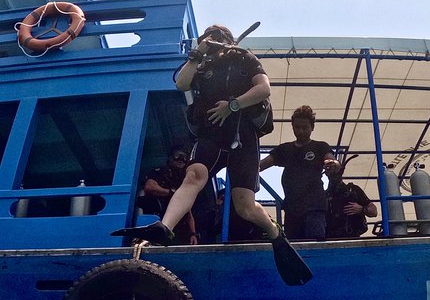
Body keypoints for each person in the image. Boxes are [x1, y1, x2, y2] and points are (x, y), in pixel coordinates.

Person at [119, 24, 284, 248]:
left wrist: (233, 105)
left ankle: (273, 231)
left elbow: (264, 88)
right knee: (194, 175)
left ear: (226, 40)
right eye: (205, 39)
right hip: (211, 132)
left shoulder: (244, 58)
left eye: (214, 38)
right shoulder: (200, 65)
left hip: (241, 132)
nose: (209, 42)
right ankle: (164, 227)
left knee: (244, 206)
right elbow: (181, 83)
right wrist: (197, 54)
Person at [259, 105, 333, 240]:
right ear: (292, 126)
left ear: (312, 127)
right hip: (292, 208)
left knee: (315, 243)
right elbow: (261, 165)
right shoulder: (284, 149)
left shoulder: (320, 147)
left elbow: (331, 160)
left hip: (314, 207)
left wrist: (333, 164)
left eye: (305, 127)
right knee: (294, 245)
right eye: (297, 127)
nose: (301, 131)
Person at [138, 146, 196, 243]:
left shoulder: (183, 180)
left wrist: (193, 233)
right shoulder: (160, 172)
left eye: (184, 157)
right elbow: (149, 187)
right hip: (158, 220)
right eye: (178, 156)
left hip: (178, 228)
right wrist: (171, 193)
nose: (181, 159)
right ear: (170, 158)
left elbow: (188, 209)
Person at [324, 158, 378, 238]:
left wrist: (362, 209)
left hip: (352, 236)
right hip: (331, 238)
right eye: (329, 170)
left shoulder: (353, 190)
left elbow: (374, 211)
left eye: (334, 170)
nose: (333, 175)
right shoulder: (325, 195)